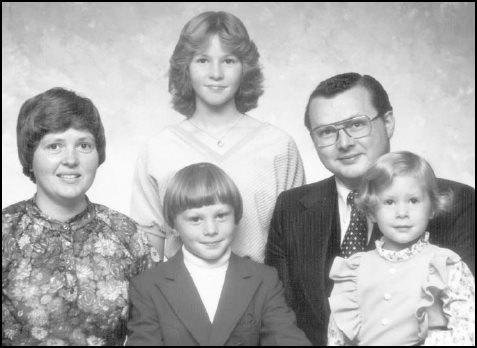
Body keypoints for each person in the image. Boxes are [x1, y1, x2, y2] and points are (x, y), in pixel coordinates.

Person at [265, 72, 475, 345]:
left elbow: (463, 317)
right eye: (327, 131)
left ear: (387, 123)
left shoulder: (457, 202)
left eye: (356, 124)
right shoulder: (290, 207)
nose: (344, 143)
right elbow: (278, 316)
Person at [130, 11, 305, 263]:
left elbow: (296, 243)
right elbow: (149, 249)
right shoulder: (159, 148)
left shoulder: (278, 146)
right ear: (185, 68)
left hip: (263, 296)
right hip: (183, 299)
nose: (216, 73)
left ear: (245, 67)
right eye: (202, 60)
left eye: (229, 60)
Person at [2, 88, 160, 346]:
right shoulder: (6, 232)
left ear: (98, 155)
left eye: (84, 145)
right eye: (54, 146)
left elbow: (156, 328)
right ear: (30, 156)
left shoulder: (126, 235)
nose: (71, 159)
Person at [125, 162, 310, 346]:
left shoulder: (264, 279)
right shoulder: (148, 286)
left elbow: (288, 340)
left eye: (221, 215)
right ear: (173, 226)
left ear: (236, 216)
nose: (211, 229)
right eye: (196, 219)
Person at [327, 151, 475, 346]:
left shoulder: (446, 265)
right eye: (389, 202)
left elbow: (466, 330)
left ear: (432, 208)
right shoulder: (354, 268)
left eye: (413, 201)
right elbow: (338, 334)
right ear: (371, 211)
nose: (402, 213)